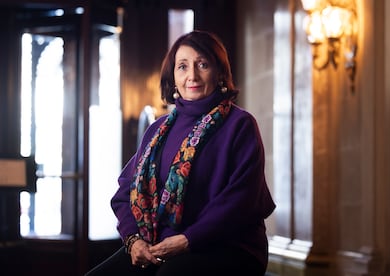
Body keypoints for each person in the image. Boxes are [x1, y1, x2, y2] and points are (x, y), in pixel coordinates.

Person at [85, 30, 276, 276]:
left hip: (229, 246)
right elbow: (125, 192)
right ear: (173, 76)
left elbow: (241, 200)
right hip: (160, 245)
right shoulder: (158, 130)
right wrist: (134, 240)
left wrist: (188, 239)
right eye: (183, 66)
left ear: (219, 72)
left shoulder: (240, 125)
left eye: (203, 64)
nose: (192, 75)